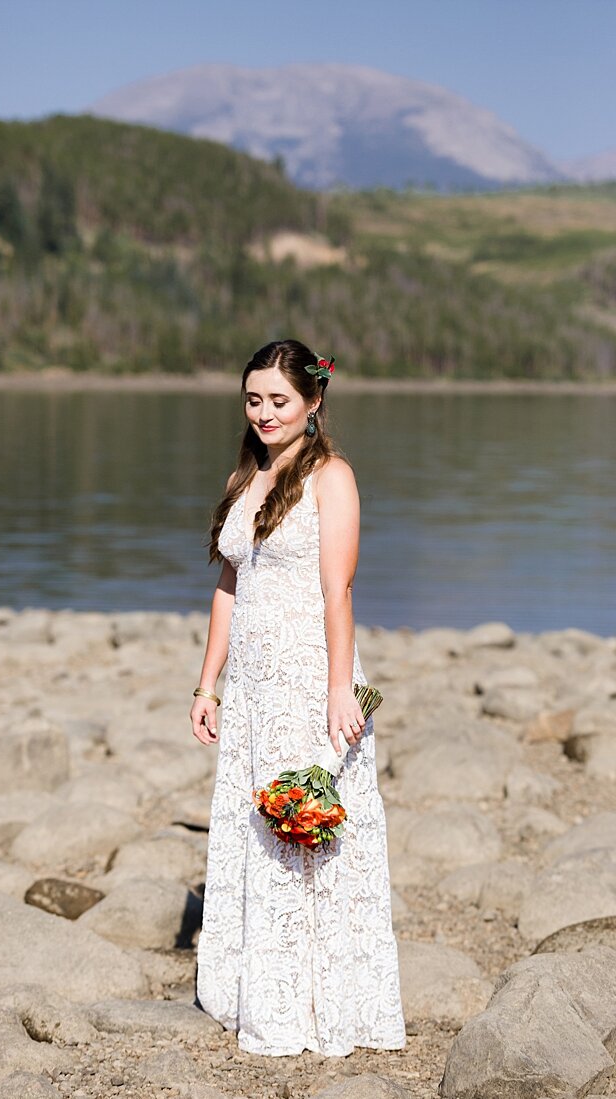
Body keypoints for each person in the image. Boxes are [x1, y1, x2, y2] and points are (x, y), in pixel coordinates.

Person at [189, 339, 405, 1056]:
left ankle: (315, 1005)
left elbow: (337, 587)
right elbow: (229, 585)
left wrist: (341, 688)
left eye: (279, 400)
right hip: (251, 686)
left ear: (313, 401)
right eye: (253, 400)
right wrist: (208, 682)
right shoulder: (244, 475)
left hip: (308, 673)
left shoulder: (331, 477)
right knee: (256, 823)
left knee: (305, 824)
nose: (264, 413)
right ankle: (254, 988)